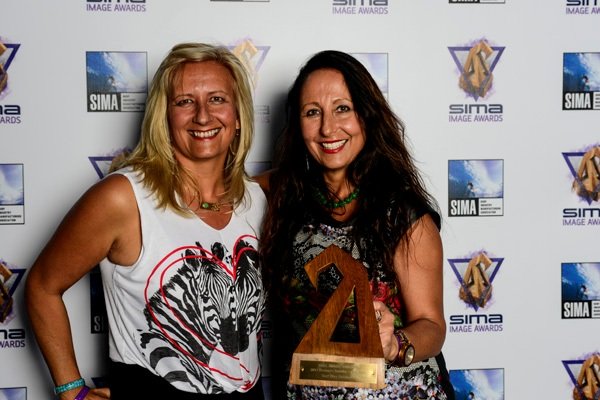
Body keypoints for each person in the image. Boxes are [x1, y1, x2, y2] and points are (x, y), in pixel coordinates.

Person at [25, 42, 267, 399]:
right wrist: (71, 390)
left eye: (217, 99)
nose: (202, 116)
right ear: (164, 115)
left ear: (238, 115)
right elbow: (42, 287)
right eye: (185, 101)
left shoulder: (256, 200)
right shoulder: (124, 198)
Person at [258, 50, 455, 399]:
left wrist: (397, 343)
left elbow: (432, 325)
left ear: (366, 114)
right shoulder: (276, 194)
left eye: (342, 108)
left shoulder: (404, 215)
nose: (328, 128)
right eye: (312, 112)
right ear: (297, 123)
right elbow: (210, 197)